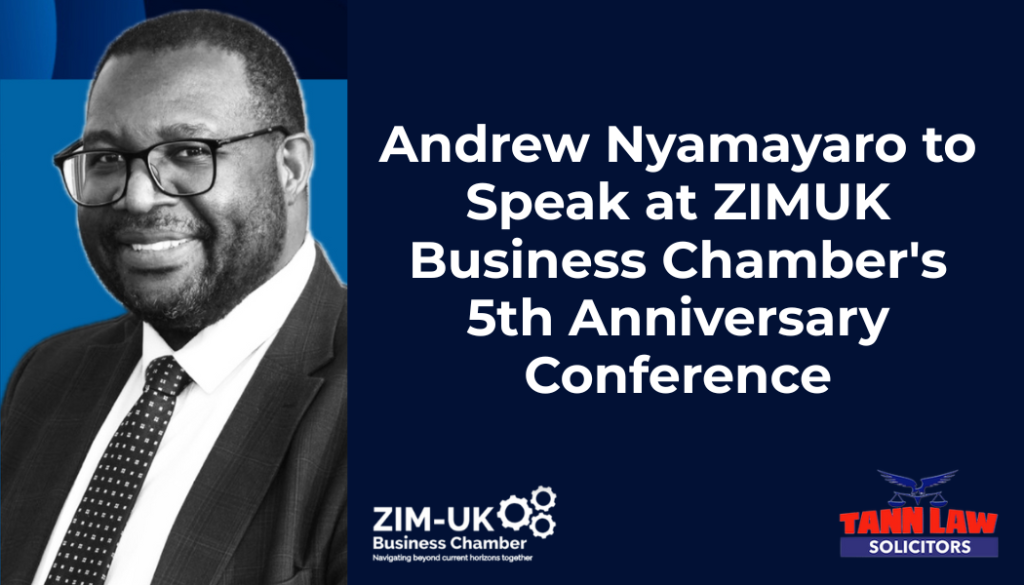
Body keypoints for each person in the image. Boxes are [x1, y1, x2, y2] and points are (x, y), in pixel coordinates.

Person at [0, 10, 347, 585]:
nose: (136, 199)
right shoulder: (46, 375)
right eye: (107, 159)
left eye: (189, 152)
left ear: (289, 168)